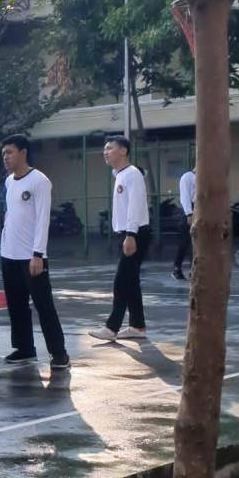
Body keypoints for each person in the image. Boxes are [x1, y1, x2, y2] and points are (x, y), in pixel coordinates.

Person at [0, 135, 69, 369]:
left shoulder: (39, 181)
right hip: (9, 254)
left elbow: (42, 220)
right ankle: (25, 348)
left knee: (43, 305)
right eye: (3, 153)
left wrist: (38, 254)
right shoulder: (9, 182)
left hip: (31, 256)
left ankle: (59, 353)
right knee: (16, 304)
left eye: (9, 152)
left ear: (23, 152)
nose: (5, 157)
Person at [89, 136, 151, 342]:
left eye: (110, 148)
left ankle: (111, 327)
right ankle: (137, 326)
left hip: (134, 233)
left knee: (121, 281)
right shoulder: (119, 174)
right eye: (104, 149)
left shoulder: (132, 174)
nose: (105, 152)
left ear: (123, 151)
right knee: (131, 282)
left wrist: (130, 235)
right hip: (126, 233)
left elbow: (135, 206)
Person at [173, 166, 196, 281]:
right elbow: (185, 197)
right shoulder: (187, 177)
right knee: (185, 242)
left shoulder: (204, 178)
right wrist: (189, 213)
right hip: (189, 210)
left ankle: (194, 270)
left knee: (196, 243)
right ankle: (177, 268)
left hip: (198, 209)